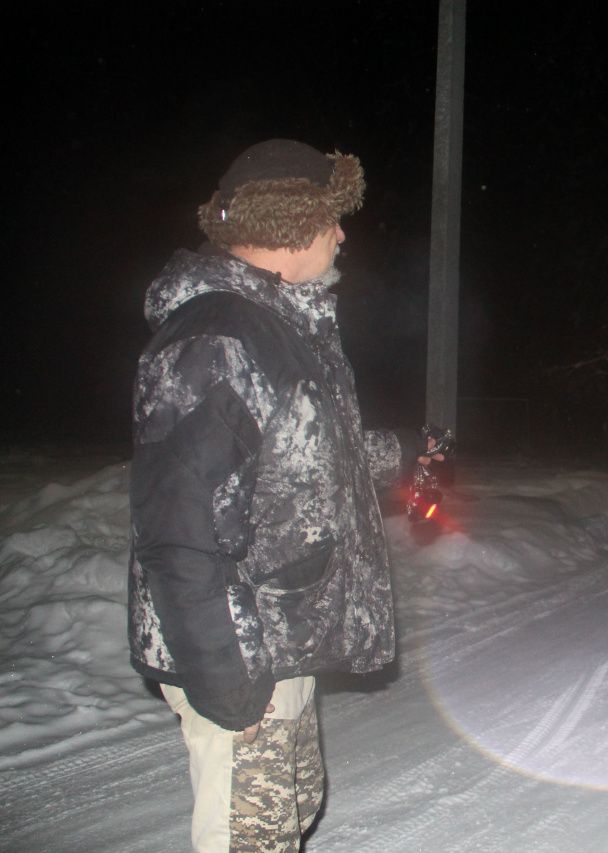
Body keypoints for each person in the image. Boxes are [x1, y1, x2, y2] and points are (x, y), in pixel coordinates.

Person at [128, 139, 431, 851]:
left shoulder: (278, 326)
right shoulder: (217, 336)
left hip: (278, 638)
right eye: (332, 217)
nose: (342, 233)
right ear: (290, 222)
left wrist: (408, 453)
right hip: (241, 647)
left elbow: (308, 451)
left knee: (285, 816)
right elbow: (177, 524)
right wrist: (227, 678)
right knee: (247, 834)